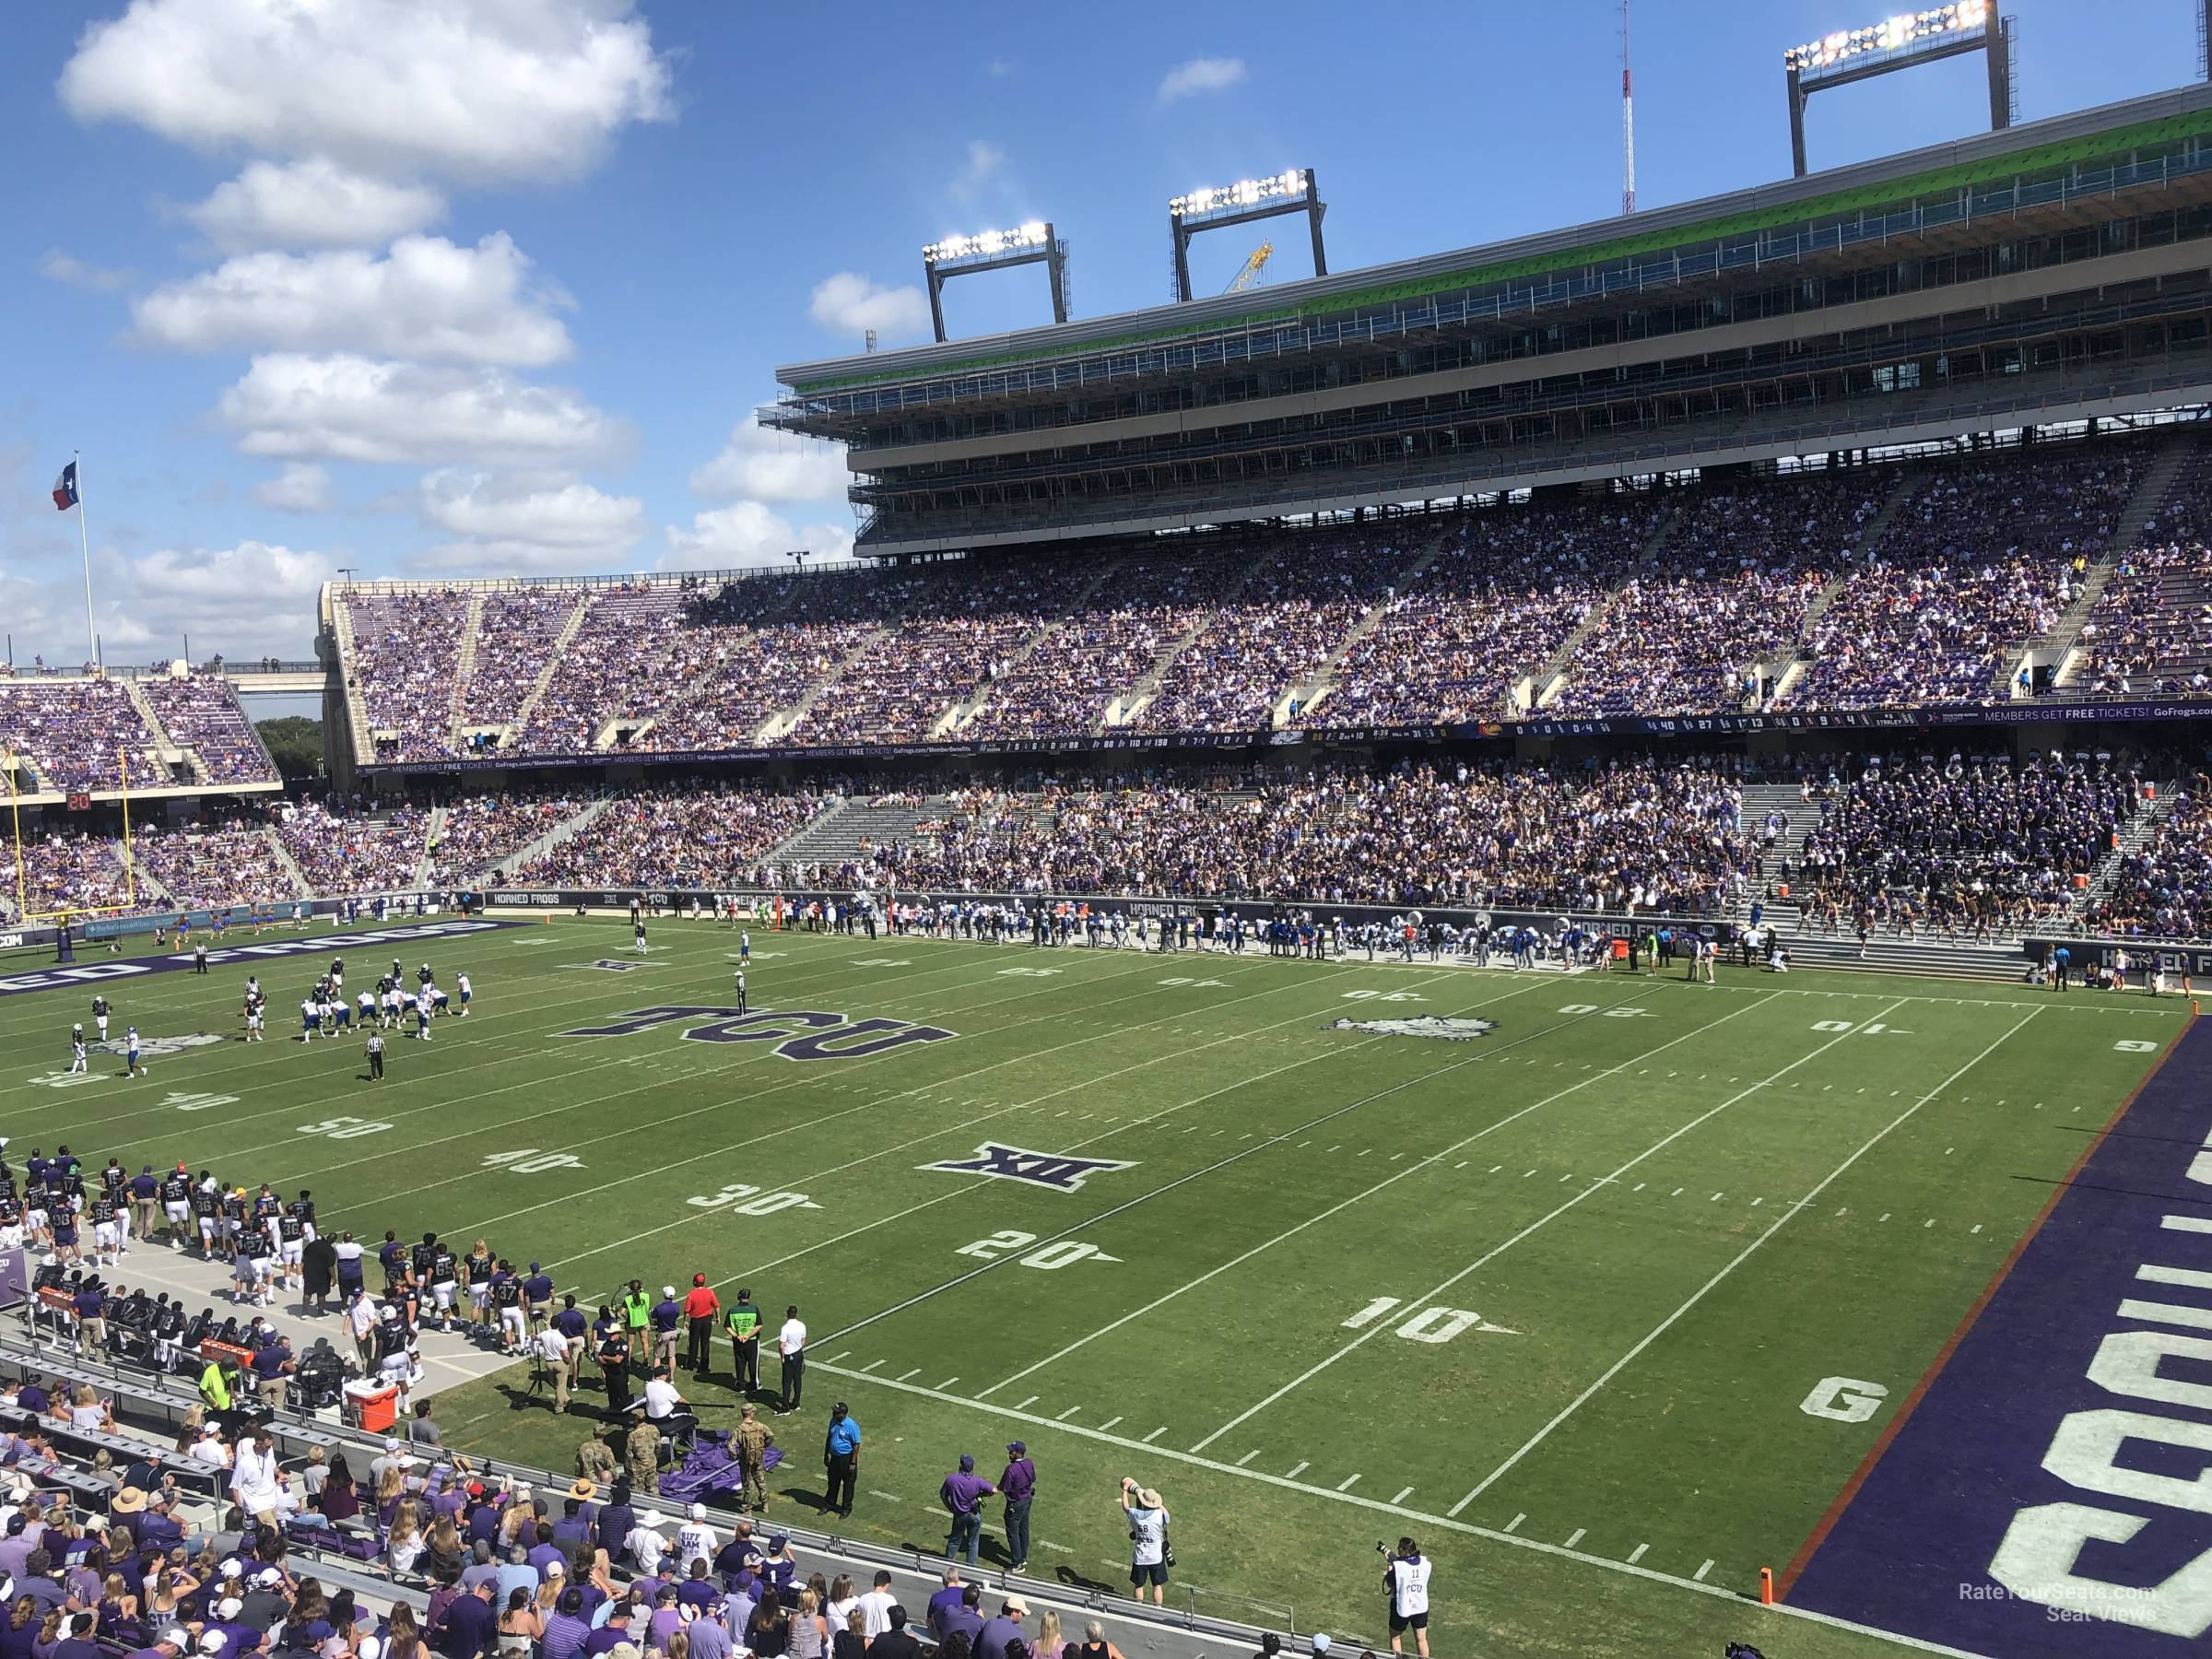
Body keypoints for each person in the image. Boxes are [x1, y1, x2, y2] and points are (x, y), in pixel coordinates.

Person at [1119, 1479, 1169, 1607]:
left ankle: (1138, 1607)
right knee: (1157, 1585)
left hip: (1140, 1555)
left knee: (1139, 1585)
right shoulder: (1159, 1515)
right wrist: (1156, 1503)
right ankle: (1158, 1608)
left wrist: (1125, 1490)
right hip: (1156, 1555)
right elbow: (1166, 1514)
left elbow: (1125, 1507)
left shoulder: (1136, 1515)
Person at [940, 1456, 993, 1567]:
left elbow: (943, 1495)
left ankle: (948, 1565)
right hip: (974, 1514)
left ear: (960, 1466)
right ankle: (971, 1568)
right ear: (972, 1468)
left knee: (954, 1541)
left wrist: (950, 1507)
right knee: (973, 1543)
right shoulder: (977, 1481)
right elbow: (993, 1490)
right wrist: (982, 1494)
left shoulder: (951, 1479)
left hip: (959, 1515)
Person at [1383, 1537, 1430, 1659]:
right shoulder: (1425, 1563)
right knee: (1421, 1639)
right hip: (1420, 1605)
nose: (1397, 1548)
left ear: (1405, 1550)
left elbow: (1390, 1583)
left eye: (1400, 1547)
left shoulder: (1398, 1567)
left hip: (1403, 1606)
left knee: (1395, 1637)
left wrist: (1390, 1570)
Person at [997, 1441, 1034, 1572]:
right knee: (1024, 1528)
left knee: (1012, 1531)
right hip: (1027, 1499)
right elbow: (1033, 1478)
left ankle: (1017, 1563)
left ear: (1018, 1453)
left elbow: (1005, 1487)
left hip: (1016, 1502)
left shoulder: (1011, 1469)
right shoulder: (1029, 1463)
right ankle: (1023, 1556)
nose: (1009, 1453)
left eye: (1012, 1451)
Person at [734, 1405, 774, 1513]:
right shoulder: (760, 1426)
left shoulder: (740, 1429)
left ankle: (748, 1510)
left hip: (745, 1461)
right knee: (761, 1482)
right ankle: (765, 1505)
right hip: (758, 1458)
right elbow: (771, 1435)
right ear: (751, 1414)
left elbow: (730, 1445)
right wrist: (763, 1446)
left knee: (748, 1485)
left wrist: (735, 1456)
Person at [820, 1404, 858, 1520]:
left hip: (846, 1458)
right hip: (835, 1457)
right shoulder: (833, 1421)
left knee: (848, 1485)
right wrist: (826, 1453)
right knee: (832, 1481)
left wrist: (853, 1462)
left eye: (836, 1412)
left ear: (843, 1414)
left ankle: (846, 1508)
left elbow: (856, 1445)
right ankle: (829, 1503)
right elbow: (829, 1437)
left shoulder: (851, 1425)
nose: (834, 1414)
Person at [724, 1290, 761, 1394]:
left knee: (740, 1363)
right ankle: (754, 1384)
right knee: (753, 1363)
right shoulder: (754, 1309)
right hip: (752, 1341)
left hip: (738, 1341)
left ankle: (741, 1385)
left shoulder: (732, 1310)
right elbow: (759, 1325)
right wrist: (748, 1336)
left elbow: (727, 1326)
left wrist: (737, 1336)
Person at [682, 1276, 719, 1374]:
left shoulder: (691, 1294)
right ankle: (704, 1365)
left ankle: (691, 1364)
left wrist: (686, 1321)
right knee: (705, 1343)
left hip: (696, 1321)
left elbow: (687, 1311)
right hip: (707, 1320)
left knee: (693, 1342)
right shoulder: (710, 1292)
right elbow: (716, 1306)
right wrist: (717, 1317)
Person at [777, 1305, 806, 1414]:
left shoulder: (785, 1328)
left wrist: (782, 1357)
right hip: (798, 1353)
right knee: (797, 1379)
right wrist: (798, 1349)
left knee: (786, 1382)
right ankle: (796, 1403)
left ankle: (785, 1407)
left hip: (789, 1355)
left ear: (787, 1314)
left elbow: (782, 1345)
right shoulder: (802, 1325)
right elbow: (803, 1340)